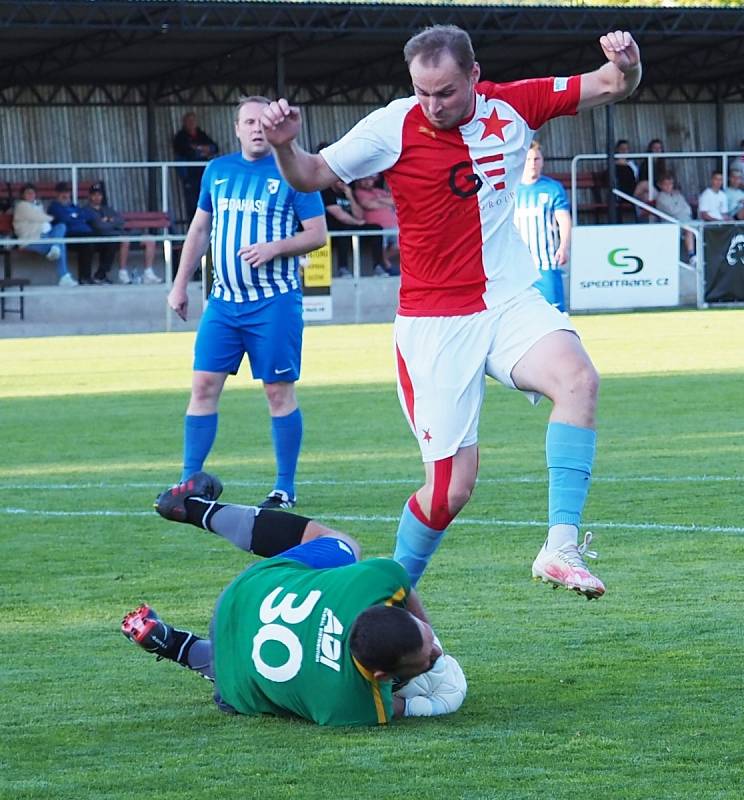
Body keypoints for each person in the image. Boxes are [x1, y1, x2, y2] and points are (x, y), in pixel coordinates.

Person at [260, 26, 645, 599]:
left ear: (473, 75)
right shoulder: (391, 124)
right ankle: (378, 602)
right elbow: (313, 175)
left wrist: (629, 63)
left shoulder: (514, 105)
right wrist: (285, 146)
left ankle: (559, 548)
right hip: (434, 323)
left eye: (444, 92)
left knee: (578, 378)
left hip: (508, 299)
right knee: (450, 491)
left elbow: (614, 83)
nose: (432, 105)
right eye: (422, 92)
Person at [121, 471, 467, 726]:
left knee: (343, 547)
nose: (437, 652)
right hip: (234, 670)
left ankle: (196, 508)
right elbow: (398, 709)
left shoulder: (376, 581)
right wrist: (436, 703)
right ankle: (176, 646)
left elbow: (402, 581)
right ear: (378, 676)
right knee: (247, 675)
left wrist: (424, 642)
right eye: (432, 651)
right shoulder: (350, 708)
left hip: (250, 591)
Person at [167, 96, 327, 510]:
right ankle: (188, 483)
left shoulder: (293, 173)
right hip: (223, 304)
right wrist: (180, 284)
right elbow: (200, 230)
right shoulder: (217, 171)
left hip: (273, 303)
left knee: (277, 392)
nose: (257, 128)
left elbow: (317, 234)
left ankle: (284, 488)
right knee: (202, 386)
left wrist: (275, 248)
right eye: (248, 121)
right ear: (236, 128)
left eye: (264, 121)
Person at [514, 141, 571, 312]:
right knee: (521, 314)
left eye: (536, 159)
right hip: (518, 264)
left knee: (556, 313)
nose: (532, 163)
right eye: (529, 159)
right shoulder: (511, 188)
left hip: (546, 262)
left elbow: (564, 219)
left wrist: (564, 246)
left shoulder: (552, 188)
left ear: (542, 161)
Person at [85, 182, 163, 285]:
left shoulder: (107, 209)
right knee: (125, 240)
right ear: (90, 196)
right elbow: (100, 227)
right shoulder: (87, 210)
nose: (97, 197)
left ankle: (148, 273)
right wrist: (111, 222)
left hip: (122, 234)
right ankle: (122, 273)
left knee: (150, 240)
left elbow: (121, 221)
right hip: (108, 239)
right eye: (94, 194)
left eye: (99, 194)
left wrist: (108, 220)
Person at [11, 183, 77, 286]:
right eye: (27, 193)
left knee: (61, 226)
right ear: (22, 195)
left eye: (32, 193)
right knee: (61, 244)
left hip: (44, 237)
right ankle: (64, 275)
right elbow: (38, 218)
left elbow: (42, 218)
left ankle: (55, 247)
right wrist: (52, 218)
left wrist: (47, 218)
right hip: (30, 240)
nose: (31, 195)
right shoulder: (22, 206)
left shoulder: (38, 205)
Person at [322, 178, 386, 277]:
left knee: (376, 229)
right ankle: (342, 268)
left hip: (351, 227)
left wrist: (350, 196)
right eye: (339, 180)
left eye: (344, 180)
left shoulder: (348, 192)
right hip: (333, 230)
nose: (342, 182)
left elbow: (359, 215)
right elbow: (340, 216)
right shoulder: (327, 192)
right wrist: (357, 223)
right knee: (344, 230)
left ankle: (378, 266)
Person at [47, 181, 101, 284]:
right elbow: (64, 219)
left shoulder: (74, 206)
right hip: (69, 236)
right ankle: (85, 277)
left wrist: (75, 216)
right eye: (62, 192)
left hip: (85, 233)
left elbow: (87, 216)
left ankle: (101, 275)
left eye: (67, 192)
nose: (65, 195)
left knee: (108, 241)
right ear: (56, 194)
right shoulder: (54, 207)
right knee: (87, 243)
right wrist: (76, 217)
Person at [173, 111, 219, 224]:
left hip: (204, 175)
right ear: (184, 123)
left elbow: (215, 148)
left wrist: (200, 148)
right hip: (189, 176)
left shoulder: (200, 134)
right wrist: (202, 150)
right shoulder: (180, 136)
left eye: (193, 121)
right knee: (193, 205)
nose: (192, 123)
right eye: (189, 121)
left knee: (207, 202)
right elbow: (186, 151)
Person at [353, 174, 400, 275]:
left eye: (370, 179)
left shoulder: (380, 192)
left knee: (399, 247)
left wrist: (378, 201)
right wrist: (385, 203)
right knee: (381, 247)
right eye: (364, 179)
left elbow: (395, 201)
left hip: (394, 225)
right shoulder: (359, 192)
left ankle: (385, 262)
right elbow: (369, 205)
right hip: (378, 227)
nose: (367, 181)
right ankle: (387, 266)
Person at [654, 173, 696, 263]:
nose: (669, 186)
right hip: (669, 224)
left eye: (671, 184)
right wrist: (680, 206)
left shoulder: (678, 195)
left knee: (690, 229)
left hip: (684, 222)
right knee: (687, 227)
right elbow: (672, 210)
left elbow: (688, 209)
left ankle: (692, 256)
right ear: (661, 185)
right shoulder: (660, 197)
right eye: (666, 184)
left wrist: (679, 206)